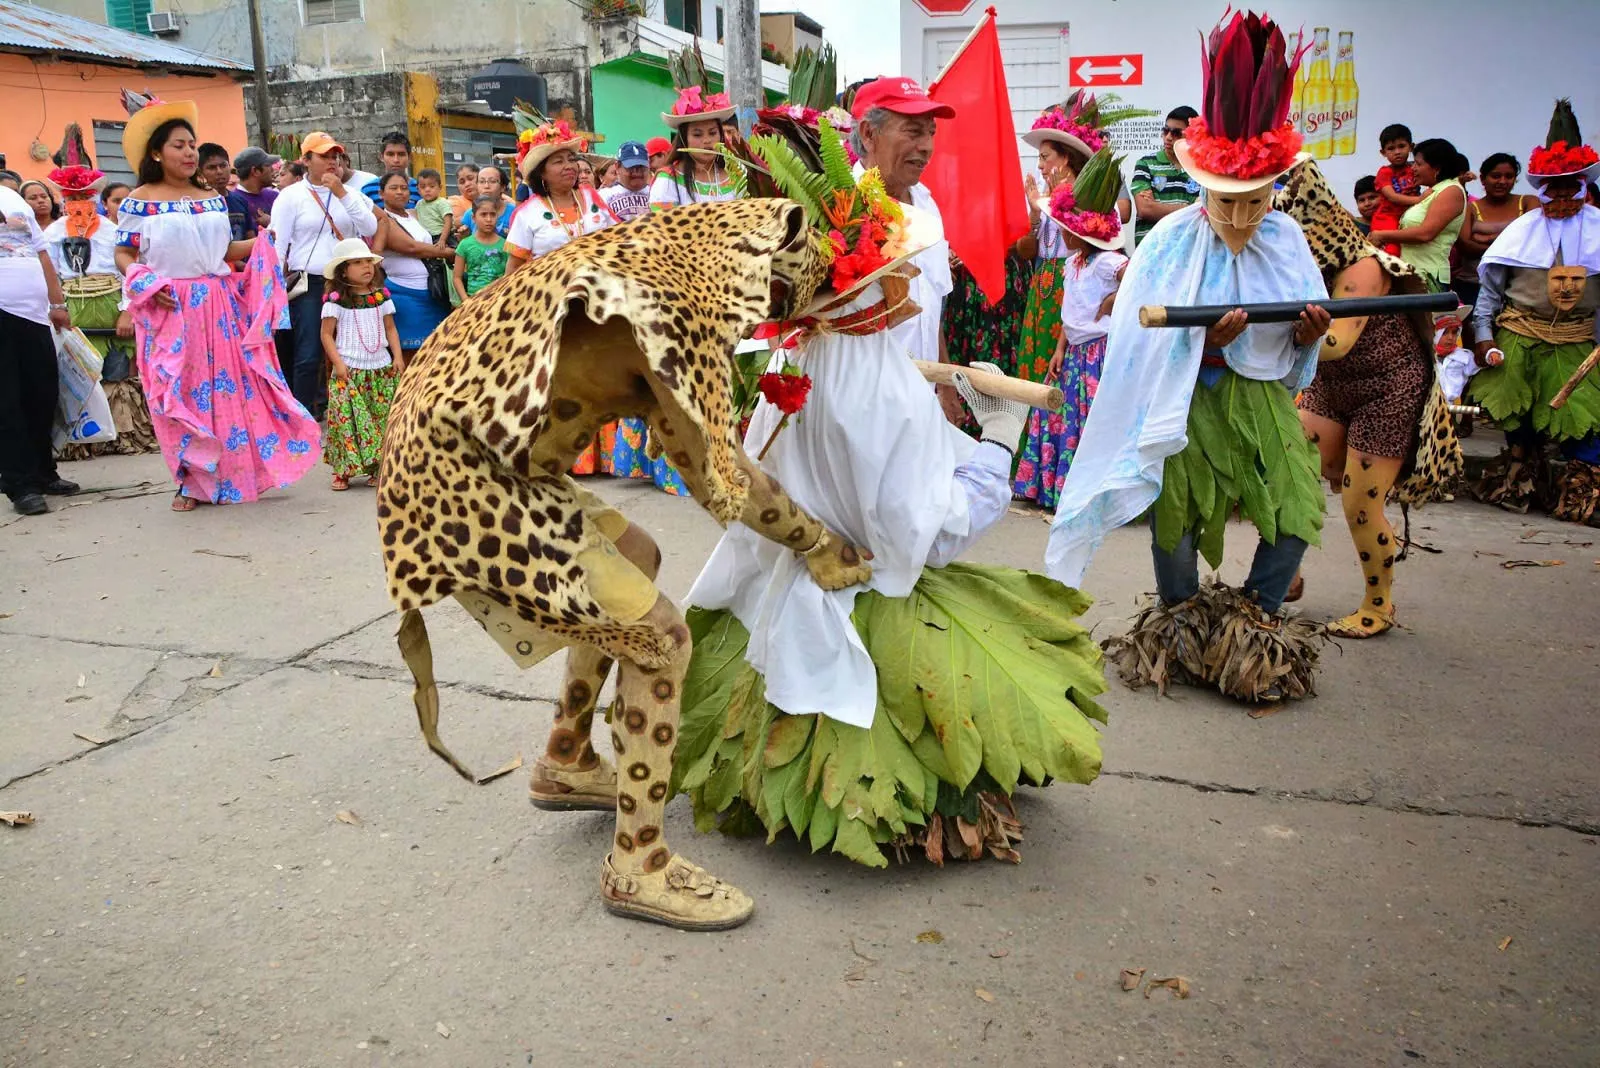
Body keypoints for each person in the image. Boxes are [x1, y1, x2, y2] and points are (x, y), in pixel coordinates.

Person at [675, 118, 1106, 870]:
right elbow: (925, 535)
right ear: (872, 286)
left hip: (802, 570)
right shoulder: (878, 387)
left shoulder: (794, 355)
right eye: (899, 274)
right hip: (870, 578)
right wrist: (998, 446)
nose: (913, 292)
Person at [1049, 11, 1331, 704]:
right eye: (1223, 201)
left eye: (1253, 203)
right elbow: (1137, 335)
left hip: (1262, 401)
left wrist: (1304, 335)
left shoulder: (1289, 239)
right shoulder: (1171, 238)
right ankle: (1179, 619)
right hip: (1188, 399)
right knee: (1173, 514)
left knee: (1296, 510)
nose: (1237, 216)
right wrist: (1202, 346)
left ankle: (1258, 616)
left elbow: (1306, 328)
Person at [1278, 160, 1462, 637]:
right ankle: (1283, 573)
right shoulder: (1302, 268)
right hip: (1332, 384)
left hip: (1388, 391)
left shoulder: (1361, 267)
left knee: (1361, 504)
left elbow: (1334, 341)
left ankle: (1378, 606)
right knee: (1282, 467)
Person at [113, 91, 321, 511]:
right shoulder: (139, 202)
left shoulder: (210, 198)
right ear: (156, 152)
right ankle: (189, 480)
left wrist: (261, 245)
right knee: (181, 395)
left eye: (192, 144)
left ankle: (236, 471)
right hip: (170, 308)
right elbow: (124, 254)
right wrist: (146, 283)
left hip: (218, 306)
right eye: (179, 145)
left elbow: (223, 251)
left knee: (229, 393)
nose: (189, 153)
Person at [1469, 100, 1600, 524]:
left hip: (1578, 340)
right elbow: (1489, 292)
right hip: (1519, 333)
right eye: (1552, 187)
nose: (1561, 196)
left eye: (1570, 186)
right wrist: (1484, 336)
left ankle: (1583, 491)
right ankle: (1520, 476)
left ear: (1584, 185)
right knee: (1514, 411)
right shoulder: (1519, 232)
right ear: (1540, 189)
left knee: (1585, 417)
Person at [1014, 148, 1129, 512]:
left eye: (1068, 229)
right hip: (1075, 353)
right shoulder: (1074, 263)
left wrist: (1115, 299)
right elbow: (1069, 313)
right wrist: (1060, 348)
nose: (1062, 234)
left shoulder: (1108, 262)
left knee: (1091, 420)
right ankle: (1055, 489)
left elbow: (1138, 276)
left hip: (1099, 355)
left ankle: (1094, 495)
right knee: (1062, 417)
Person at [850, 77, 959, 421]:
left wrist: (945, 385)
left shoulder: (926, 205)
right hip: (862, 408)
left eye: (930, 133)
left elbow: (931, 301)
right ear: (869, 134)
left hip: (921, 403)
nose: (926, 146)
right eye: (913, 132)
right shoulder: (840, 210)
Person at [41, 144, 157, 458]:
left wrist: (126, 312)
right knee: (75, 372)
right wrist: (58, 308)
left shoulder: (113, 231)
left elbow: (127, 272)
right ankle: (79, 443)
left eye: (85, 199)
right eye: (71, 200)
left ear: (96, 200)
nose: (79, 206)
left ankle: (120, 435)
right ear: (63, 201)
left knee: (116, 370)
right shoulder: (51, 234)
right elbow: (49, 274)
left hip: (109, 304)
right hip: (71, 307)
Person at [268, 130, 378, 414]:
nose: (332, 161)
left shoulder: (350, 194)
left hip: (347, 281)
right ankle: (301, 415)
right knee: (308, 354)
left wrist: (341, 193)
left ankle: (356, 412)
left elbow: (369, 228)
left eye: (335, 156)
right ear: (305, 160)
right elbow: (278, 246)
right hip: (311, 283)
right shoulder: (290, 197)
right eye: (324, 156)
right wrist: (273, 291)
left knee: (357, 346)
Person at [0, 178, 75, 516]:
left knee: (41, 395)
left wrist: (56, 304)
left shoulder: (13, 200)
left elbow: (42, 253)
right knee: (7, 403)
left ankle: (44, 472)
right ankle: (20, 485)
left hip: (34, 315)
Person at [320, 238, 402, 491]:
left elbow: (390, 329)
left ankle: (378, 467)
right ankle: (343, 470)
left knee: (379, 420)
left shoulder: (381, 297)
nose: (366, 267)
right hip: (350, 368)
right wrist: (338, 363)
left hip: (380, 368)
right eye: (357, 263)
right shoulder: (335, 301)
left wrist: (397, 357)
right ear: (343, 270)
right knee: (348, 421)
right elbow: (326, 335)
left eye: (368, 261)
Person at [1367, 138, 1469, 291]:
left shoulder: (1451, 190)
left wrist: (1382, 235)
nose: (1413, 168)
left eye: (1418, 164)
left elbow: (1425, 233)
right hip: (1412, 274)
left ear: (1437, 168)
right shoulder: (1434, 191)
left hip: (1428, 276)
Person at [371, 170, 453, 354]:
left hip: (432, 293)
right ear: (381, 193)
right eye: (394, 188)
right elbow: (411, 247)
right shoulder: (383, 220)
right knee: (411, 355)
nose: (400, 192)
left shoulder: (414, 215)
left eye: (404, 188)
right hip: (405, 295)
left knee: (436, 353)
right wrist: (450, 253)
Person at [1453, 153, 1537, 309]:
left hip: (1518, 285)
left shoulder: (1528, 202)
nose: (1502, 182)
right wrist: (1510, 244)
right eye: (1496, 176)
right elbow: (1465, 246)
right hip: (1473, 284)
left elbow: (1532, 239)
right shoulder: (1470, 207)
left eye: (1509, 176)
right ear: (1483, 179)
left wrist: (1485, 238)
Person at [650, 87, 738, 208]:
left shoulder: (736, 177)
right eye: (697, 135)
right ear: (684, 139)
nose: (707, 140)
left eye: (712, 133)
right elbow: (661, 224)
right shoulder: (667, 181)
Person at [1130, 106, 1201, 245]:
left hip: (1188, 251)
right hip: (1150, 251)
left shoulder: (1202, 170)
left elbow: (1204, 213)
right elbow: (1145, 209)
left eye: (1176, 133)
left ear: (1192, 136)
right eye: (1166, 131)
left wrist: (1158, 206)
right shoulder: (1146, 163)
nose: (1168, 137)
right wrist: (1189, 208)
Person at [1371, 124, 1421, 256]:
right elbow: (1392, 196)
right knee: (1392, 252)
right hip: (1387, 218)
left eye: (1401, 146)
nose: (1397, 152)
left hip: (1407, 216)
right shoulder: (1384, 172)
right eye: (1391, 148)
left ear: (1411, 146)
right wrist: (1421, 200)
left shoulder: (1415, 168)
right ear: (1383, 152)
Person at [451, 196, 508, 301]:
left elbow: (510, 276)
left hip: (499, 300)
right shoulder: (465, 244)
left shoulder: (506, 245)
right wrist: (466, 301)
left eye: (493, 214)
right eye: (483, 214)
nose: (489, 219)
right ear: (473, 218)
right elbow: (456, 277)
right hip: (474, 301)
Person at [226, 147, 280, 242]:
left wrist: (272, 222)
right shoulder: (234, 202)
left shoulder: (275, 196)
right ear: (255, 171)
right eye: (268, 165)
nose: (273, 170)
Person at [600, 140, 652, 222]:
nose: (636, 172)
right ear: (617, 167)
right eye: (631, 167)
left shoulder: (658, 193)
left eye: (641, 167)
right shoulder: (603, 196)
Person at [413, 168, 453, 239]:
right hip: (425, 237)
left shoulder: (442, 202)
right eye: (423, 187)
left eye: (432, 186)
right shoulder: (419, 204)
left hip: (443, 235)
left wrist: (442, 240)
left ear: (440, 187)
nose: (427, 190)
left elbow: (448, 222)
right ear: (418, 190)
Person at [476, 163, 515, 236]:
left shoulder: (515, 213)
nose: (486, 186)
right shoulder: (470, 213)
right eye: (482, 181)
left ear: (503, 187)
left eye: (492, 181)